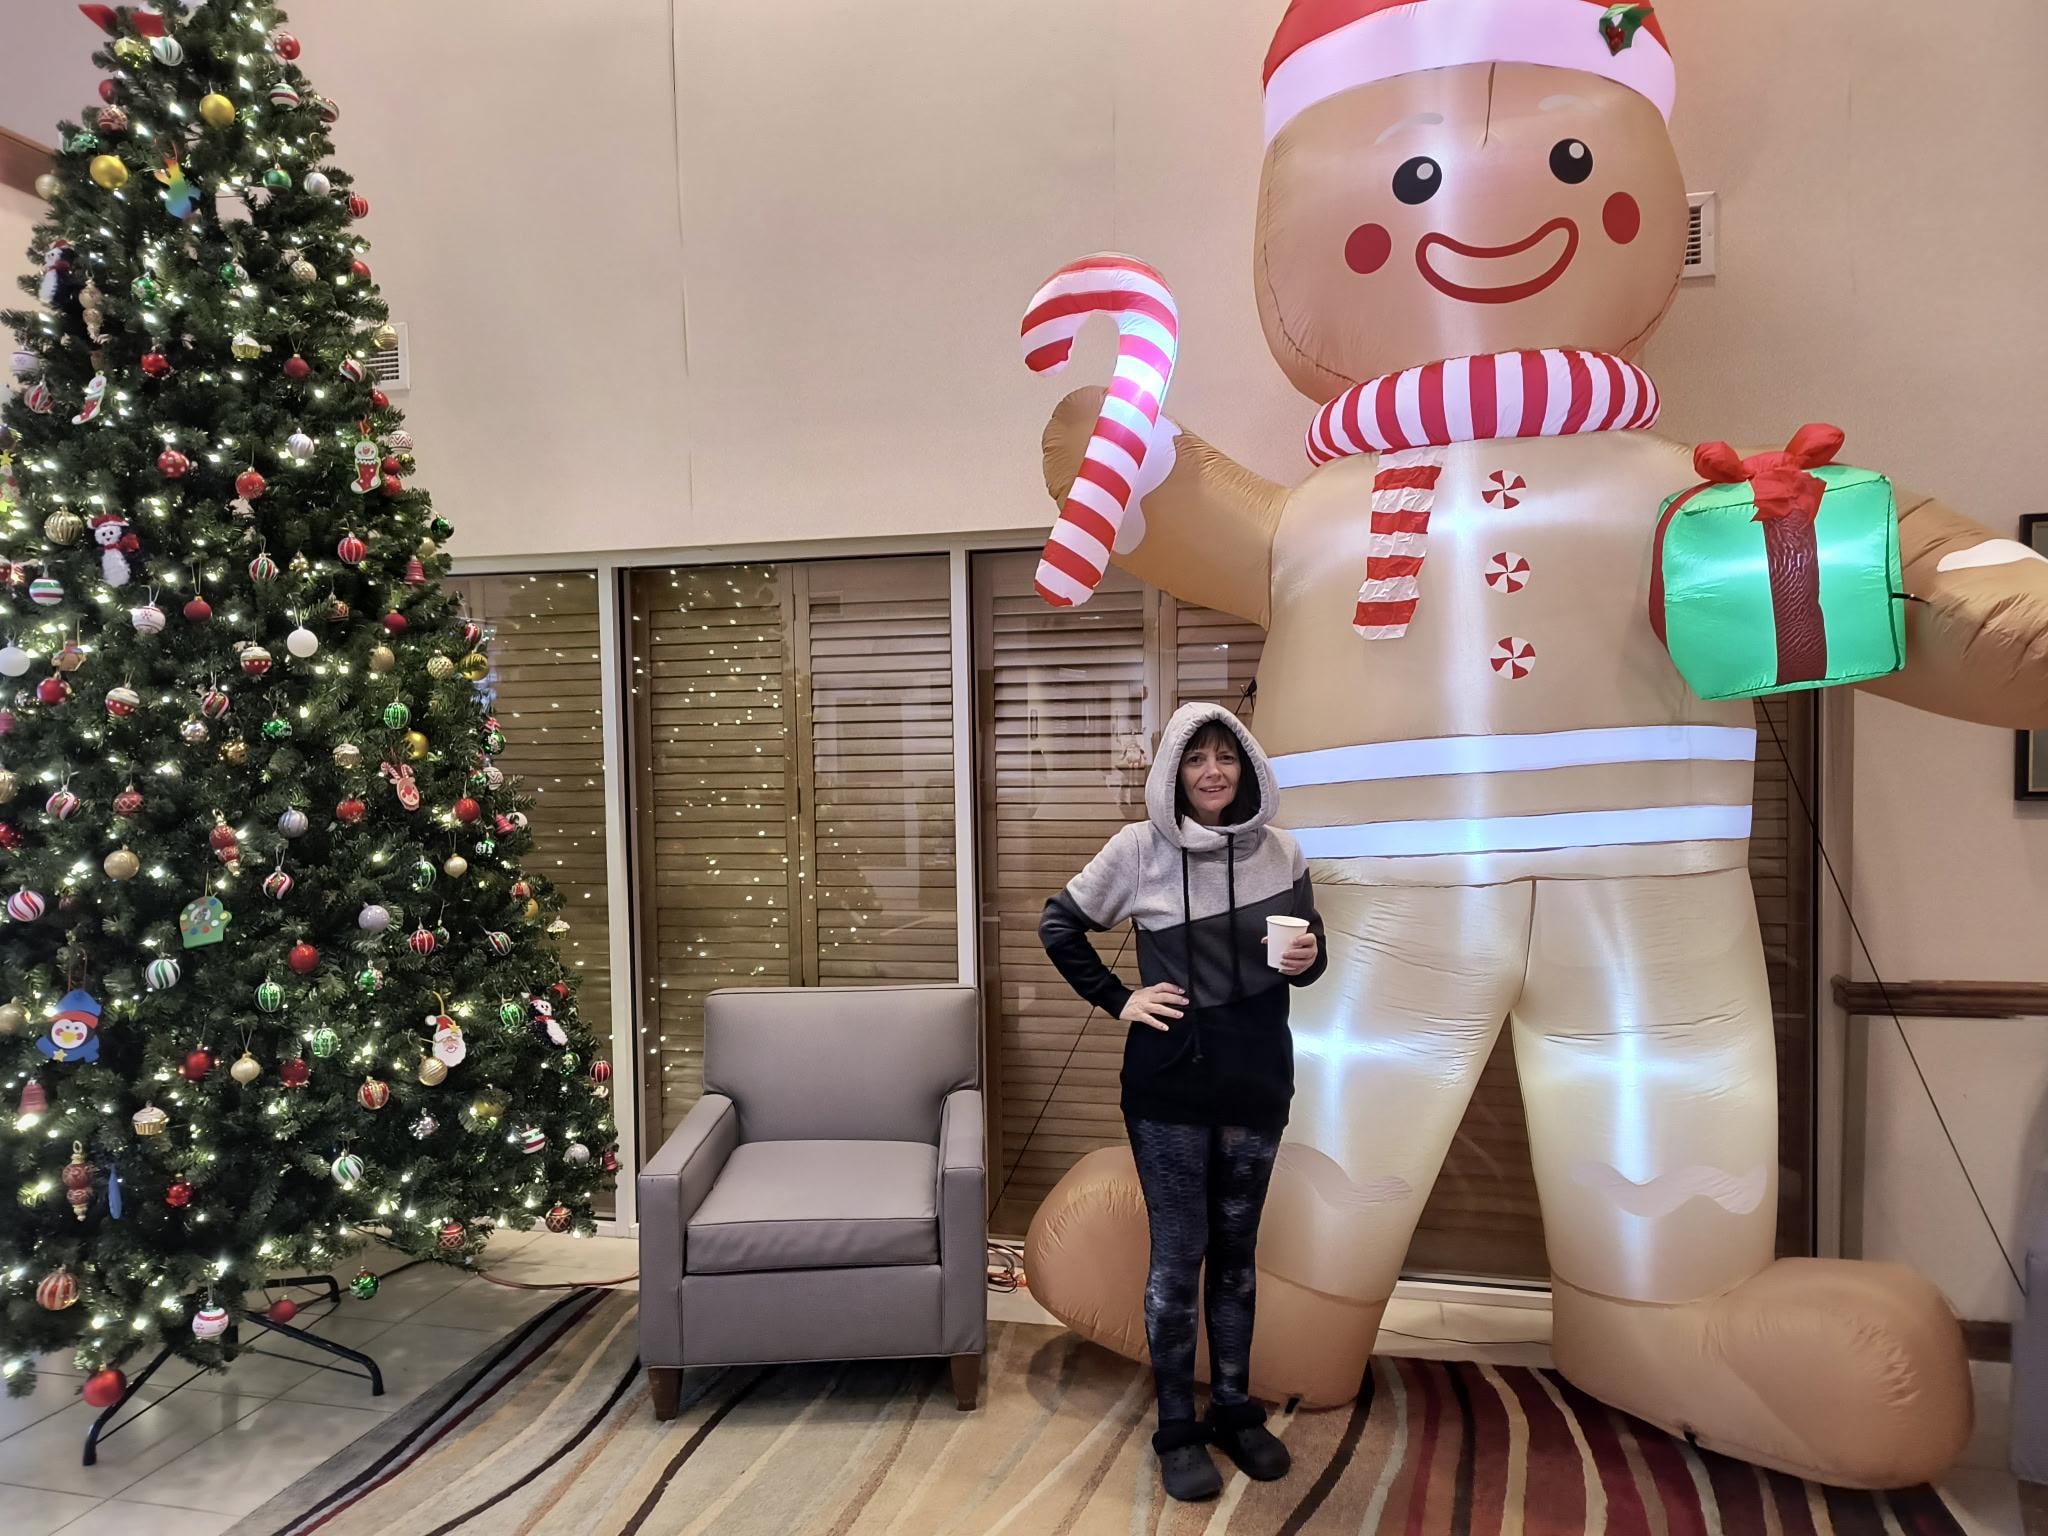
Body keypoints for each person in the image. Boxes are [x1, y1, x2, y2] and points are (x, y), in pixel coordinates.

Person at [1038, 702, 1327, 1502]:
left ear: (1248, 769)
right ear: (1172, 769)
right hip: (1168, 1082)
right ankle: (1175, 1424)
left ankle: (1233, 1407)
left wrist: (1307, 956)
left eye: (1224, 757)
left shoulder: (1285, 851)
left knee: (1237, 1253)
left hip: (1258, 1076)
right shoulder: (1140, 849)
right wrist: (1119, 999)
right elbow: (1059, 924)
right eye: (1194, 758)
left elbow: (1310, 952)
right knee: (1181, 1252)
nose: (1211, 772)